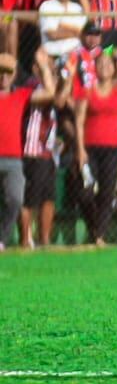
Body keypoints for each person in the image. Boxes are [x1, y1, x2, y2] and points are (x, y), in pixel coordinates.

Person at [0, 49, 56, 250]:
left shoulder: (21, 95)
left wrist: (43, 66)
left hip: (13, 158)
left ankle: (2, 239)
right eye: (0, 72)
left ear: (14, 74)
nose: (3, 76)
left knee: (15, 199)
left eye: (7, 72)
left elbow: (50, 92)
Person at [75, 48, 117, 246]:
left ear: (114, 68)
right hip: (90, 148)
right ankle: (95, 226)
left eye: (108, 64)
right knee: (84, 192)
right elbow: (79, 121)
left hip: (113, 148)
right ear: (94, 68)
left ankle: (99, 236)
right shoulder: (87, 91)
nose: (104, 67)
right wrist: (80, 150)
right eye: (100, 64)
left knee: (107, 192)